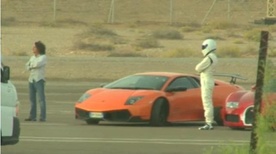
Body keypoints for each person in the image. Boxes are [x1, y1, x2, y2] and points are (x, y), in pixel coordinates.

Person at [195, 39, 218, 130]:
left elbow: (197, 68)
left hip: (206, 81)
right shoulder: (213, 56)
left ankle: (208, 123)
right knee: (208, 102)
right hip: (208, 80)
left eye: (204, 47)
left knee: (207, 102)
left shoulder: (209, 57)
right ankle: (209, 122)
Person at [25, 41, 47, 122]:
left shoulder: (43, 57)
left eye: (34, 47)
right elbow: (27, 66)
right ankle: (32, 116)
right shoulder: (32, 57)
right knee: (32, 99)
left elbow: (37, 65)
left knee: (41, 99)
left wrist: (31, 66)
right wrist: (31, 66)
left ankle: (42, 117)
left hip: (39, 80)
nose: (33, 49)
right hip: (31, 79)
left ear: (38, 48)